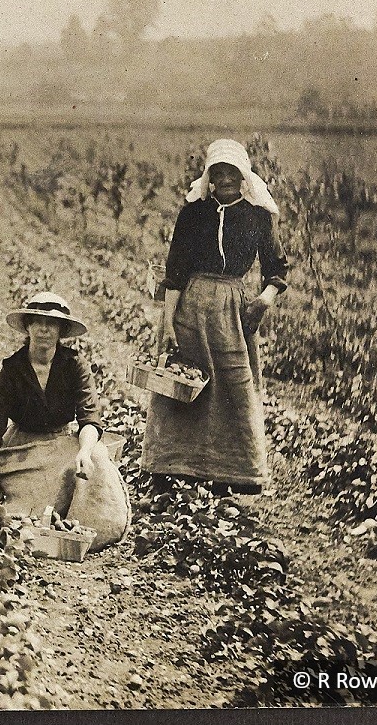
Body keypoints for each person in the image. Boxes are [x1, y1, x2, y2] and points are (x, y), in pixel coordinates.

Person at [143, 139, 290, 495]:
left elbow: (276, 268)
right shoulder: (193, 214)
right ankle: (175, 467)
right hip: (192, 306)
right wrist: (167, 323)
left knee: (232, 384)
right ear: (209, 177)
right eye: (218, 172)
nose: (225, 178)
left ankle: (231, 471)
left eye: (232, 172)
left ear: (243, 176)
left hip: (232, 309)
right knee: (185, 384)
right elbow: (175, 271)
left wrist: (264, 300)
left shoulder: (257, 216)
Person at [0, 291, 107, 514]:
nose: (44, 329)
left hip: (62, 442)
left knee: (92, 472)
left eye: (51, 323)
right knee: (30, 504)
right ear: (28, 327)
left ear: (61, 330)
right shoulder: (12, 370)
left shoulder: (75, 365)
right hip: (23, 447)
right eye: (37, 322)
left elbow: (89, 418)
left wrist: (85, 451)